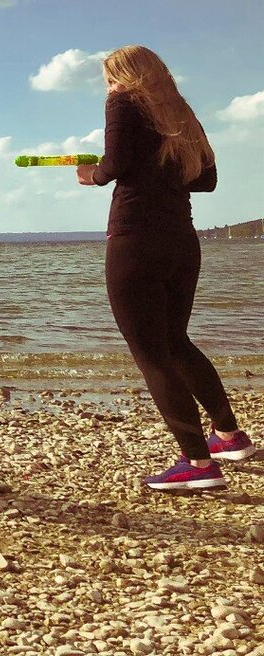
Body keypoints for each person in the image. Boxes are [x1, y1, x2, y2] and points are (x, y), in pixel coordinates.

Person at [77, 45, 255, 491]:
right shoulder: (179, 112)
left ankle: (197, 465)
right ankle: (229, 437)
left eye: (110, 77)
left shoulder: (122, 102)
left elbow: (115, 165)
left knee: (152, 352)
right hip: (182, 241)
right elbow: (207, 179)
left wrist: (92, 175)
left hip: (136, 238)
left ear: (123, 75)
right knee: (175, 341)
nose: (108, 86)